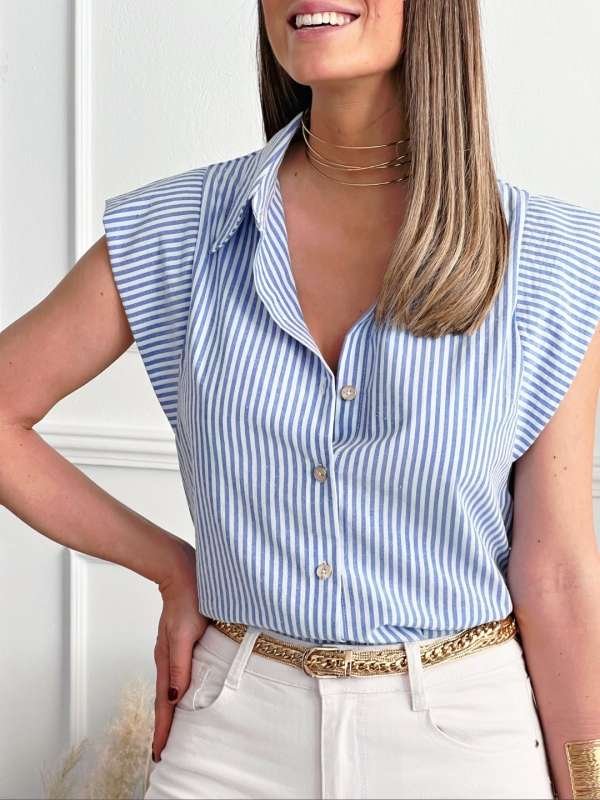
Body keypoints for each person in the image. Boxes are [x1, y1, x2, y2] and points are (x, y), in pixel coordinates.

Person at [1, 1, 599, 798]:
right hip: (228, 738)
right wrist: (172, 566)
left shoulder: (551, 261)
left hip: (463, 746)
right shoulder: (182, 231)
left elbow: (557, 575)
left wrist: (589, 783)